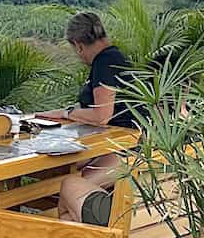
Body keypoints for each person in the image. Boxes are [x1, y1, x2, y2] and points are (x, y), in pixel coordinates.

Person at [43, 12, 135, 224]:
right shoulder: (116, 57)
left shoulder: (105, 62)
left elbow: (102, 115)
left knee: (71, 189)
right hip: (122, 145)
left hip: (128, 151)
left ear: (78, 45)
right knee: (74, 182)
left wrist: (66, 113)